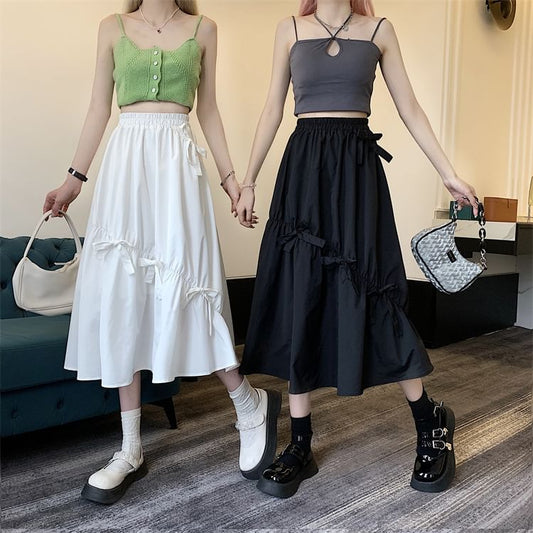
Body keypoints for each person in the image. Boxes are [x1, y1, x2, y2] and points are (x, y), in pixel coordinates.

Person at [236, 0, 479, 499]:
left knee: (373, 289)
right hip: (303, 170)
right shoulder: (290, 29)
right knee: (302, 292)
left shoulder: (379, 30)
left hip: (356, 173)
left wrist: (449, 174)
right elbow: (272, 109)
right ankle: (300, 442)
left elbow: (410, 108)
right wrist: (248, 181)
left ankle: (430, 419)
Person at [43, 0, 280, 505]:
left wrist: (233, 182)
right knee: (123, 295)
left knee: (190, 284)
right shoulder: (111, 28)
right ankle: (130, 448)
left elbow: (208, 109)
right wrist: (74, 180)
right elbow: (98, 108)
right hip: (125, 166)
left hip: (178, 168)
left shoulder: (204, 29)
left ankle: (249, 404)